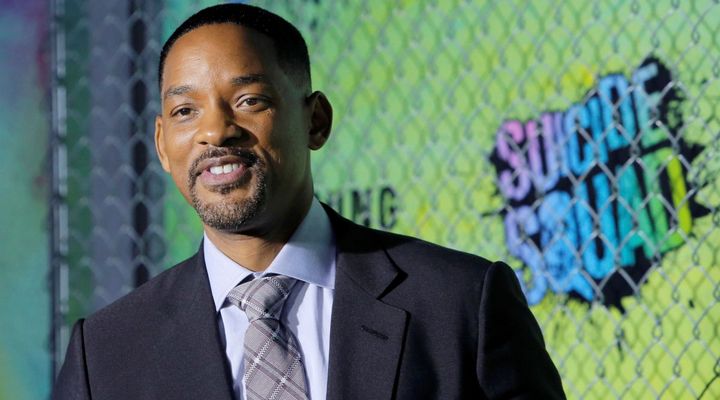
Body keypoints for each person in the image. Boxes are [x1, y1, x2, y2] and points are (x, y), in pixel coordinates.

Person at [53, 3, 565, 399]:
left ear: (316, 121)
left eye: (249, 100)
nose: (216, 130)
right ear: (163, 145)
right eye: (185, 111)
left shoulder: (461, 303)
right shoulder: (105, 353)